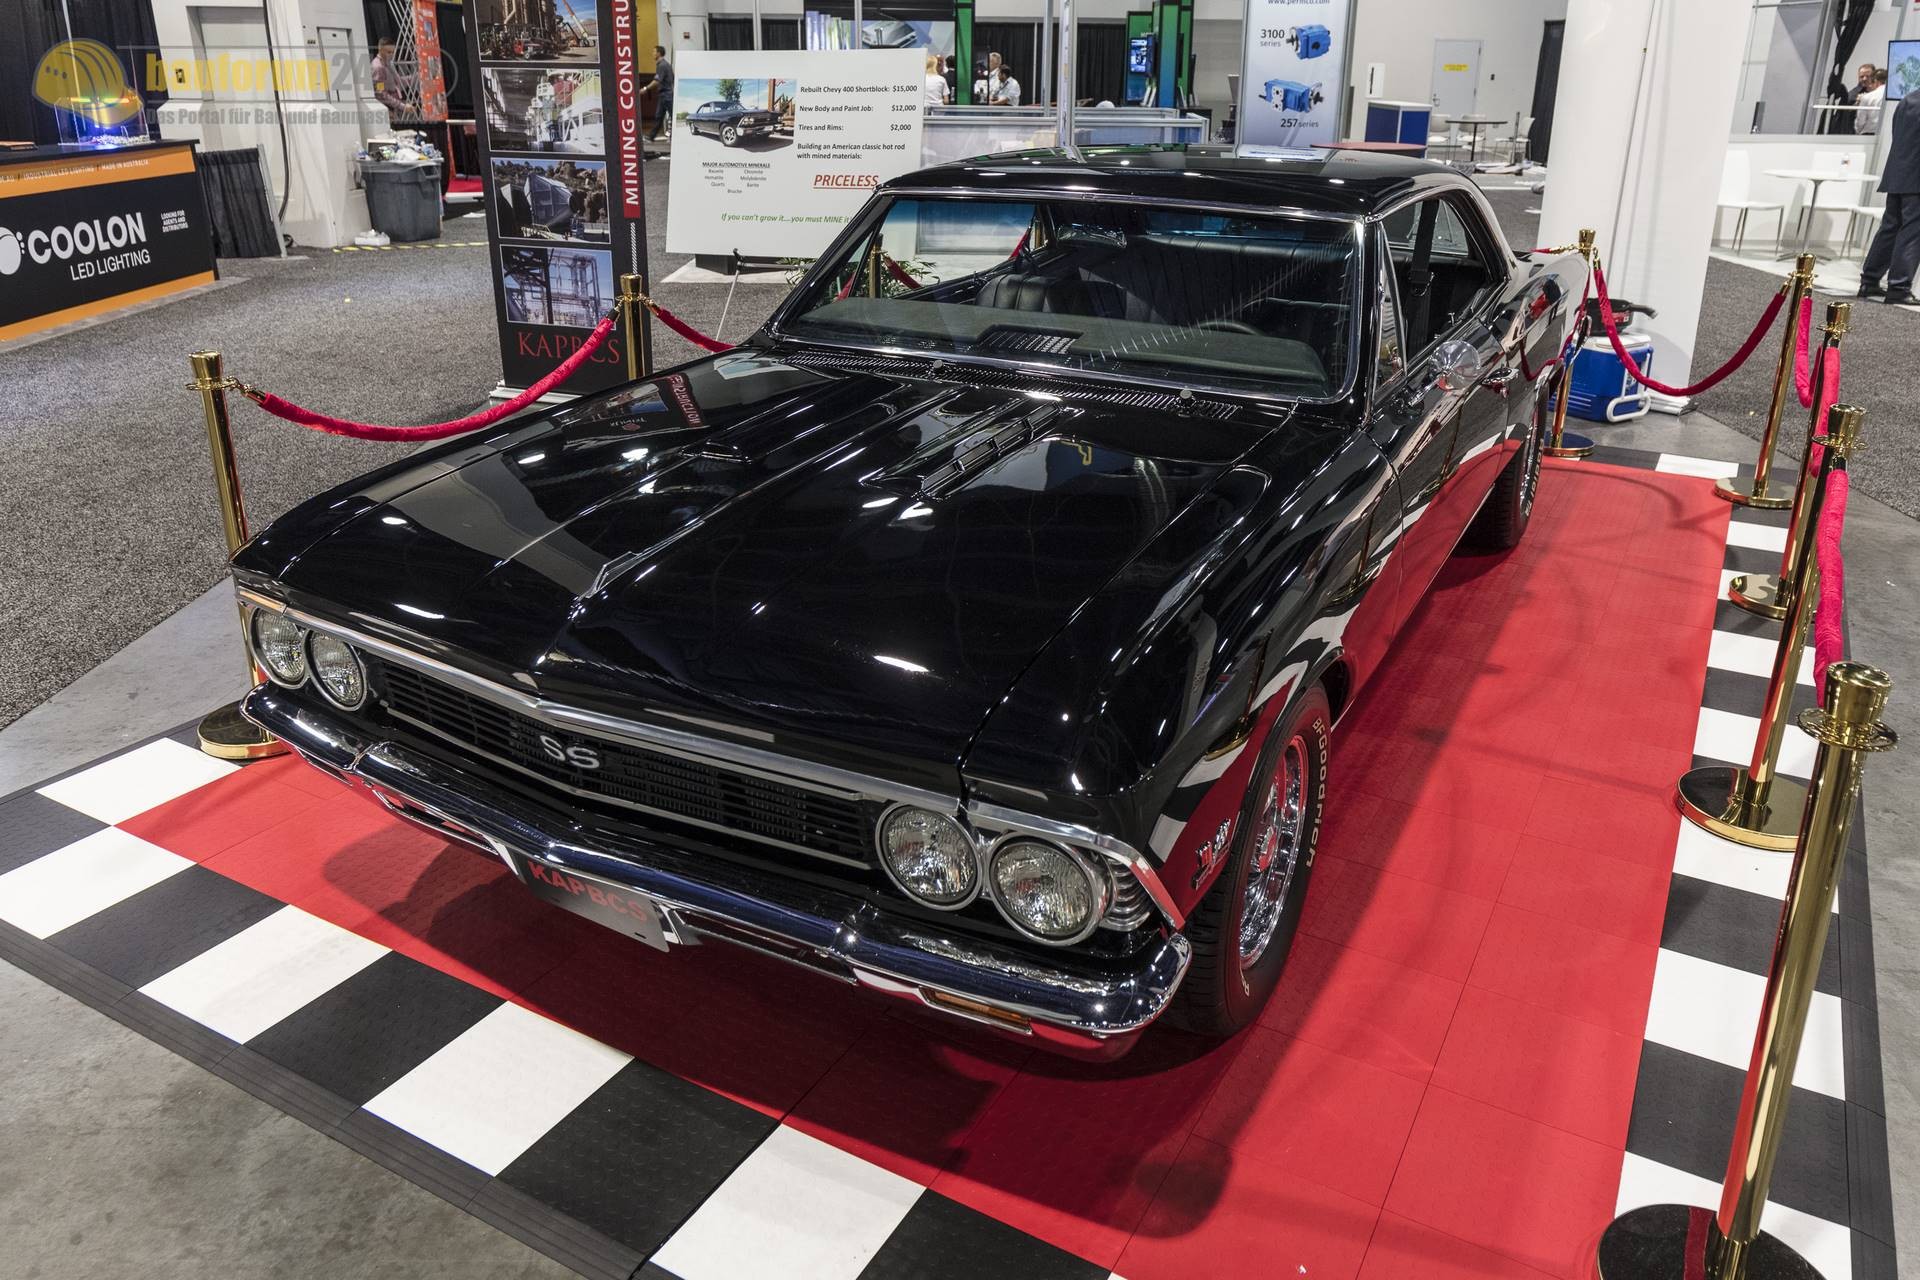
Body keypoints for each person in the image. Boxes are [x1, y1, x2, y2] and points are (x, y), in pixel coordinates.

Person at [1860, 84, 1920, 306]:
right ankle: (1899, 286)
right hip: (1916, 178)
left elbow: (1897, 135)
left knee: (1890, 228)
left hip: (1897, 173)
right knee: (1912, 231)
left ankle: (1869, 280)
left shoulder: (1907, 100)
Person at [370, 39, 409, 119]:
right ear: (380, 50)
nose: (391, 55)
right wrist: (402, 106)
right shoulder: (378, 67)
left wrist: (415, 77)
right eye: (388, 52)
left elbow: (398, 81)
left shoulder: (389, 63)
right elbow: (381, 94)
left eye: (393, 52)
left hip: (393, 106)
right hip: (387, 110)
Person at [648, 46, 674, 140]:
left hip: (666, 95)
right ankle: (651, 136)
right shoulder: (666, 64)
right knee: (659, 116)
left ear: (659, 53)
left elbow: (657, 80)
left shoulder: (662, 65)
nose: (653, 53)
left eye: (654, 51)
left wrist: (645, 88)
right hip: (666, 94)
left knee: (671, 115)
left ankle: (676, 136)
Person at [1856, 67, 1887, 135]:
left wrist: (1858, 132)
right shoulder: (1896, 96)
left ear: (1876, 81)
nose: (1870, 86)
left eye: (1871, 82)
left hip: (1869, 135)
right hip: (1889, 134)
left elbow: (1860, 121)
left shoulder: (1867, 97)